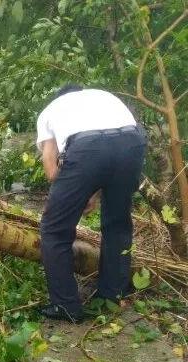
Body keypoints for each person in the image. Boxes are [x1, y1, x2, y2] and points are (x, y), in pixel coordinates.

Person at [37, 84, 147, 323]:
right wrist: (88, 192)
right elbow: (110, 151)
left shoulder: (51, 109)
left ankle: (66, 305)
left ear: (60, 97)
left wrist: (71, 193)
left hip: (88, 148)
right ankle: (112, 295)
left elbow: (51, 168)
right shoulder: (103, 96)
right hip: (132, 142)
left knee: (54, 230)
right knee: (118, 224)